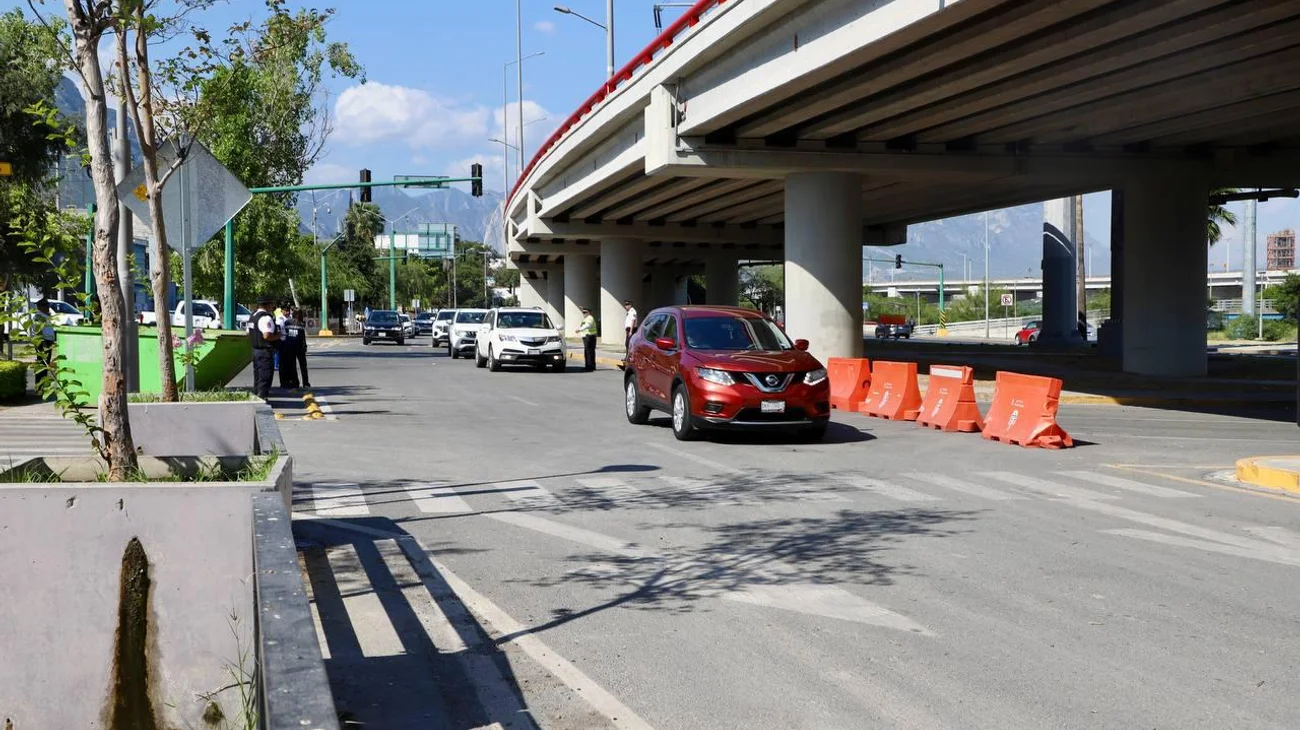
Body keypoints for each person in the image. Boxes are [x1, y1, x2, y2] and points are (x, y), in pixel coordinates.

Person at [249, 296, 280, 399]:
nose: (272, 306)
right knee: (265, 377)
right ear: (267, 305)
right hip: (265, 351)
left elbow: (248, 333)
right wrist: (279, 336)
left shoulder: (253, 316)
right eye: (271, 304)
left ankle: (256, 397)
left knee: (257, 377)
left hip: (255, 350)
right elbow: (267, 336)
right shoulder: (266, 318)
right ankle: (262, 399)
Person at [31, 299, 56, 391]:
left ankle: (43, 386)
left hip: (48, 341)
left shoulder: (45, 316)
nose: (48, 307)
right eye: (46, 306)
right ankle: (39, 386)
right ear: (41, 307)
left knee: (46, 364)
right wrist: (44, 342)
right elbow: (38, 330)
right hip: (42, 342)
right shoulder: (38, 316)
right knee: (42, 364)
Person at [279, 306, 301, 389]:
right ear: (282, 311)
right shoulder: (280, 319)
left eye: (288, 311)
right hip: (282, 343)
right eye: (285, 311)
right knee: (283, 364)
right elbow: (280, 332)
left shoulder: (288, 320)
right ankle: (284, 382)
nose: (287, 312)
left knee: (290, 364)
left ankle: (291, 381)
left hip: (289, 344)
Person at [289, 309, 310, 389]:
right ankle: (305, 382)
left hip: (290, 347)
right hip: (299, 348)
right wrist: (305, 347)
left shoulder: (287, 322)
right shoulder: (301, 324)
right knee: (303, 366)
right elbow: (302, 338)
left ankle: (295, 382)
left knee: (293, 366)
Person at [576, 306, 598, 372]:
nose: (584, 313)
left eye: (585, 312)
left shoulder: (590, 318)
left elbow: (588, 325)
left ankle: (589, 367)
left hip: (590, 336)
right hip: (587, 336)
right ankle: (590, 366)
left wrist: (579, 330)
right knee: (589, 352)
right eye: (583, 312)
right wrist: (582, 308)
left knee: (588, 352)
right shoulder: (586, 318)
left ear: (589, 312)